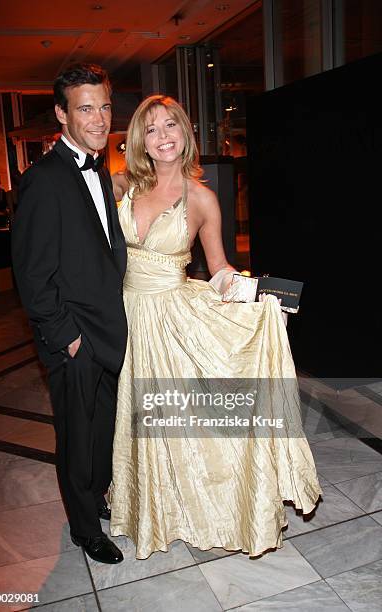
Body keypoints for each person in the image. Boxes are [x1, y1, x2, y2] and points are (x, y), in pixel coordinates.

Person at [109, 95, 321, 559]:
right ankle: (152, 509)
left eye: (171, 126)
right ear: (139, 139)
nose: (163, 136)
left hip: (173, 317)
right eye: (152, 128)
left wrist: (259, 296)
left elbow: (220, 268)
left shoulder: (201, 198)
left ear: (185, 134)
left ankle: (205, 506)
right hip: (125, 314)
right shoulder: (121, 187)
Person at [12, 63, 127, 565]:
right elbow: (33, 274)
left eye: (103, 106)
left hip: (106, 331)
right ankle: (85, 529)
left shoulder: (98, 167)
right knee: (77, 436)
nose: (99, 118)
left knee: (101, 429)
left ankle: (95, 497)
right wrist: (67, 338)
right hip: (75, 337)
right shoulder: (43, 179)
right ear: (61, 114)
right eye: (86, 108)